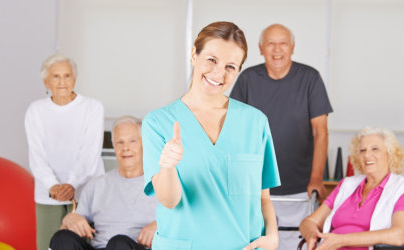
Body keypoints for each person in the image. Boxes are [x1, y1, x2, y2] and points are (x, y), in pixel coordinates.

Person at [142, 21, 281, 250]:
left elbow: (263, 197)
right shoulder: (158, 123)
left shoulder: (255, 123)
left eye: (230, 66)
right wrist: (167, 166)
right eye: (212, 59)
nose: (218, 73)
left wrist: (273, 237)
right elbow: (169, 200)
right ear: (193, 55)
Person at [230, 23, 333, 249]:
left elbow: (320, 132)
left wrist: (316, 177)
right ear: (260, 48)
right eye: (270, 44)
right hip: (258, 186)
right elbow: (234, 132)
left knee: (295, 244)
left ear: (292, 47)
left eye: (283, 43)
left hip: (299, 188)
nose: (277, 50)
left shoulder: (310, 79)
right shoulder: (248, 79)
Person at [24, 53, 105, 250]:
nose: (62, 81)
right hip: (48, 193)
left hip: (85, 190)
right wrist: (53, 185)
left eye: (67, 76)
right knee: (47, 245)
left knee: (84, 244)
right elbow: (37, 154)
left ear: (74, 79)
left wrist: (72, 184)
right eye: (56, 76)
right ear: (46, 81)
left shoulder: (92, 108)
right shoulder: (36, 110)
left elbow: (90, 150)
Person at [299, 127, 404, 250]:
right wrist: (312, 235)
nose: (367, 155)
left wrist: (342, 240)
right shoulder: (347, 185)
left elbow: (399, 236)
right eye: (362, 150)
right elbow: (310, 222)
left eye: (375, 149)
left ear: (390, 153)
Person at [49, 115, 158, 250]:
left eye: (133, 141)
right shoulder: (96, 185)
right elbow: (72, 223)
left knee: (119, 243)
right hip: (100, 247)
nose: (126, 148)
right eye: (120, 142)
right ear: (113, 145)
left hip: (131, 247)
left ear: (145, 143)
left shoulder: (161, 185)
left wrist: (160, 226)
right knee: (62, 238)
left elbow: (183, 223)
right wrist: (69, 219)